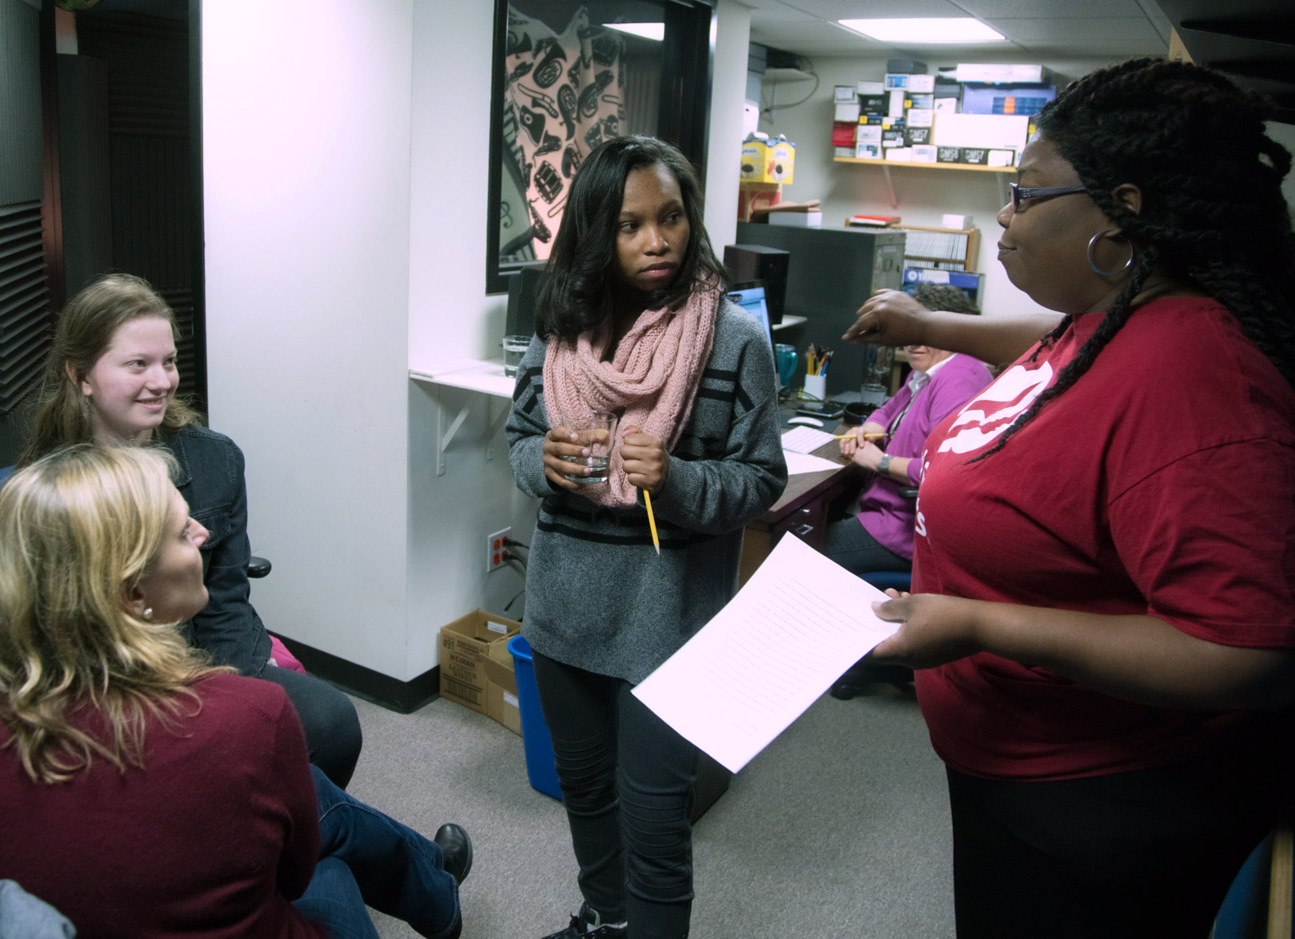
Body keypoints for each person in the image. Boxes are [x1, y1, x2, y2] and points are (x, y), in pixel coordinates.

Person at [842, 58, 1295, 938]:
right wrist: (931, 324)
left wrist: (981, 624)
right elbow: (1057, 339)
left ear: (1118, 219)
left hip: (1096, 805)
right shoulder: (1117, 314)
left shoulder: (1198, 382)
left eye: (1025, 194)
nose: (1004, 216)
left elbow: (1251, 651)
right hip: (1011, 767)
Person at [0, 444, 470, 939]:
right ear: (134, 594)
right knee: (329, 852)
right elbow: (289, 878)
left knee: (323, 805)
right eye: (179, 529)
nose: (202, 531)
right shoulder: (248, 719)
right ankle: (437, 897)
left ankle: (434, 885)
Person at [506, 136, 787, 939]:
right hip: (564, 614)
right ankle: (602, 915)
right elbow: (521, 440)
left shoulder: (732, 338)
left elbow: (763, 480)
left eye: (670, 218)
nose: (657, 240)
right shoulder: (563, 326)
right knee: (585, 791)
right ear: (598, 230)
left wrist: (679, 478)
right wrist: (547, 461)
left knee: (658, 824)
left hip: (671, 626)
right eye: (630, 225)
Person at [17, 273, 362, 789]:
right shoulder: (53, 488)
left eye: (169, 361)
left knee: (331, 724)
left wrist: (228, 699)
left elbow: (225, 602)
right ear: (81, 375)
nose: (162, 381)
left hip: (212, 659)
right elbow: (63, 639)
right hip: (110, 679)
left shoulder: (214, 458)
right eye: (138, 364)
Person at [827, 284, 993, 576]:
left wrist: (880, 461)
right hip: (886, 512)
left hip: (905, 530)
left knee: (801, 543)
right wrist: (870, 429)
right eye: (909, 335)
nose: (913, 345)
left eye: (924, 336)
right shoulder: (929, 371)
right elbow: (889, 408)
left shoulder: (958, 379)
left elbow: (949, 471)